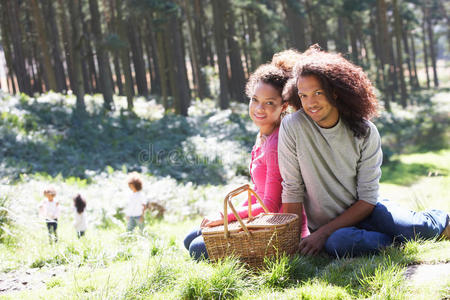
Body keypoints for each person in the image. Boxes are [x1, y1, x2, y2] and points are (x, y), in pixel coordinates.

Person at [278, 45, 450, 258]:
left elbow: (368, 199)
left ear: (334, 92)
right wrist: (290, 244)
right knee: (339, 244)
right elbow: (292, 188)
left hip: (369, 210)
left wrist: (322, 234)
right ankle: (396, 242)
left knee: (414, 228)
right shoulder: (293, 126)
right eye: (303, 96)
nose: (310, 103)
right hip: (333, 230)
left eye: (317, 93)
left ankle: (439, 220)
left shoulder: (365, 131)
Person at [184, 54, 309, 260]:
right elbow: (256, 192)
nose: (259, 108)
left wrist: (226, 218)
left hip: (274, 229)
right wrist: (226, 215)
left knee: (197, 248)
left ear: (283, 106)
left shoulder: (276, 144)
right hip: (259, 219)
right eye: (255, 100)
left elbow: (269, 204)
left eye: (269, 103)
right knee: (191, 238)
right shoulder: (262, 135)